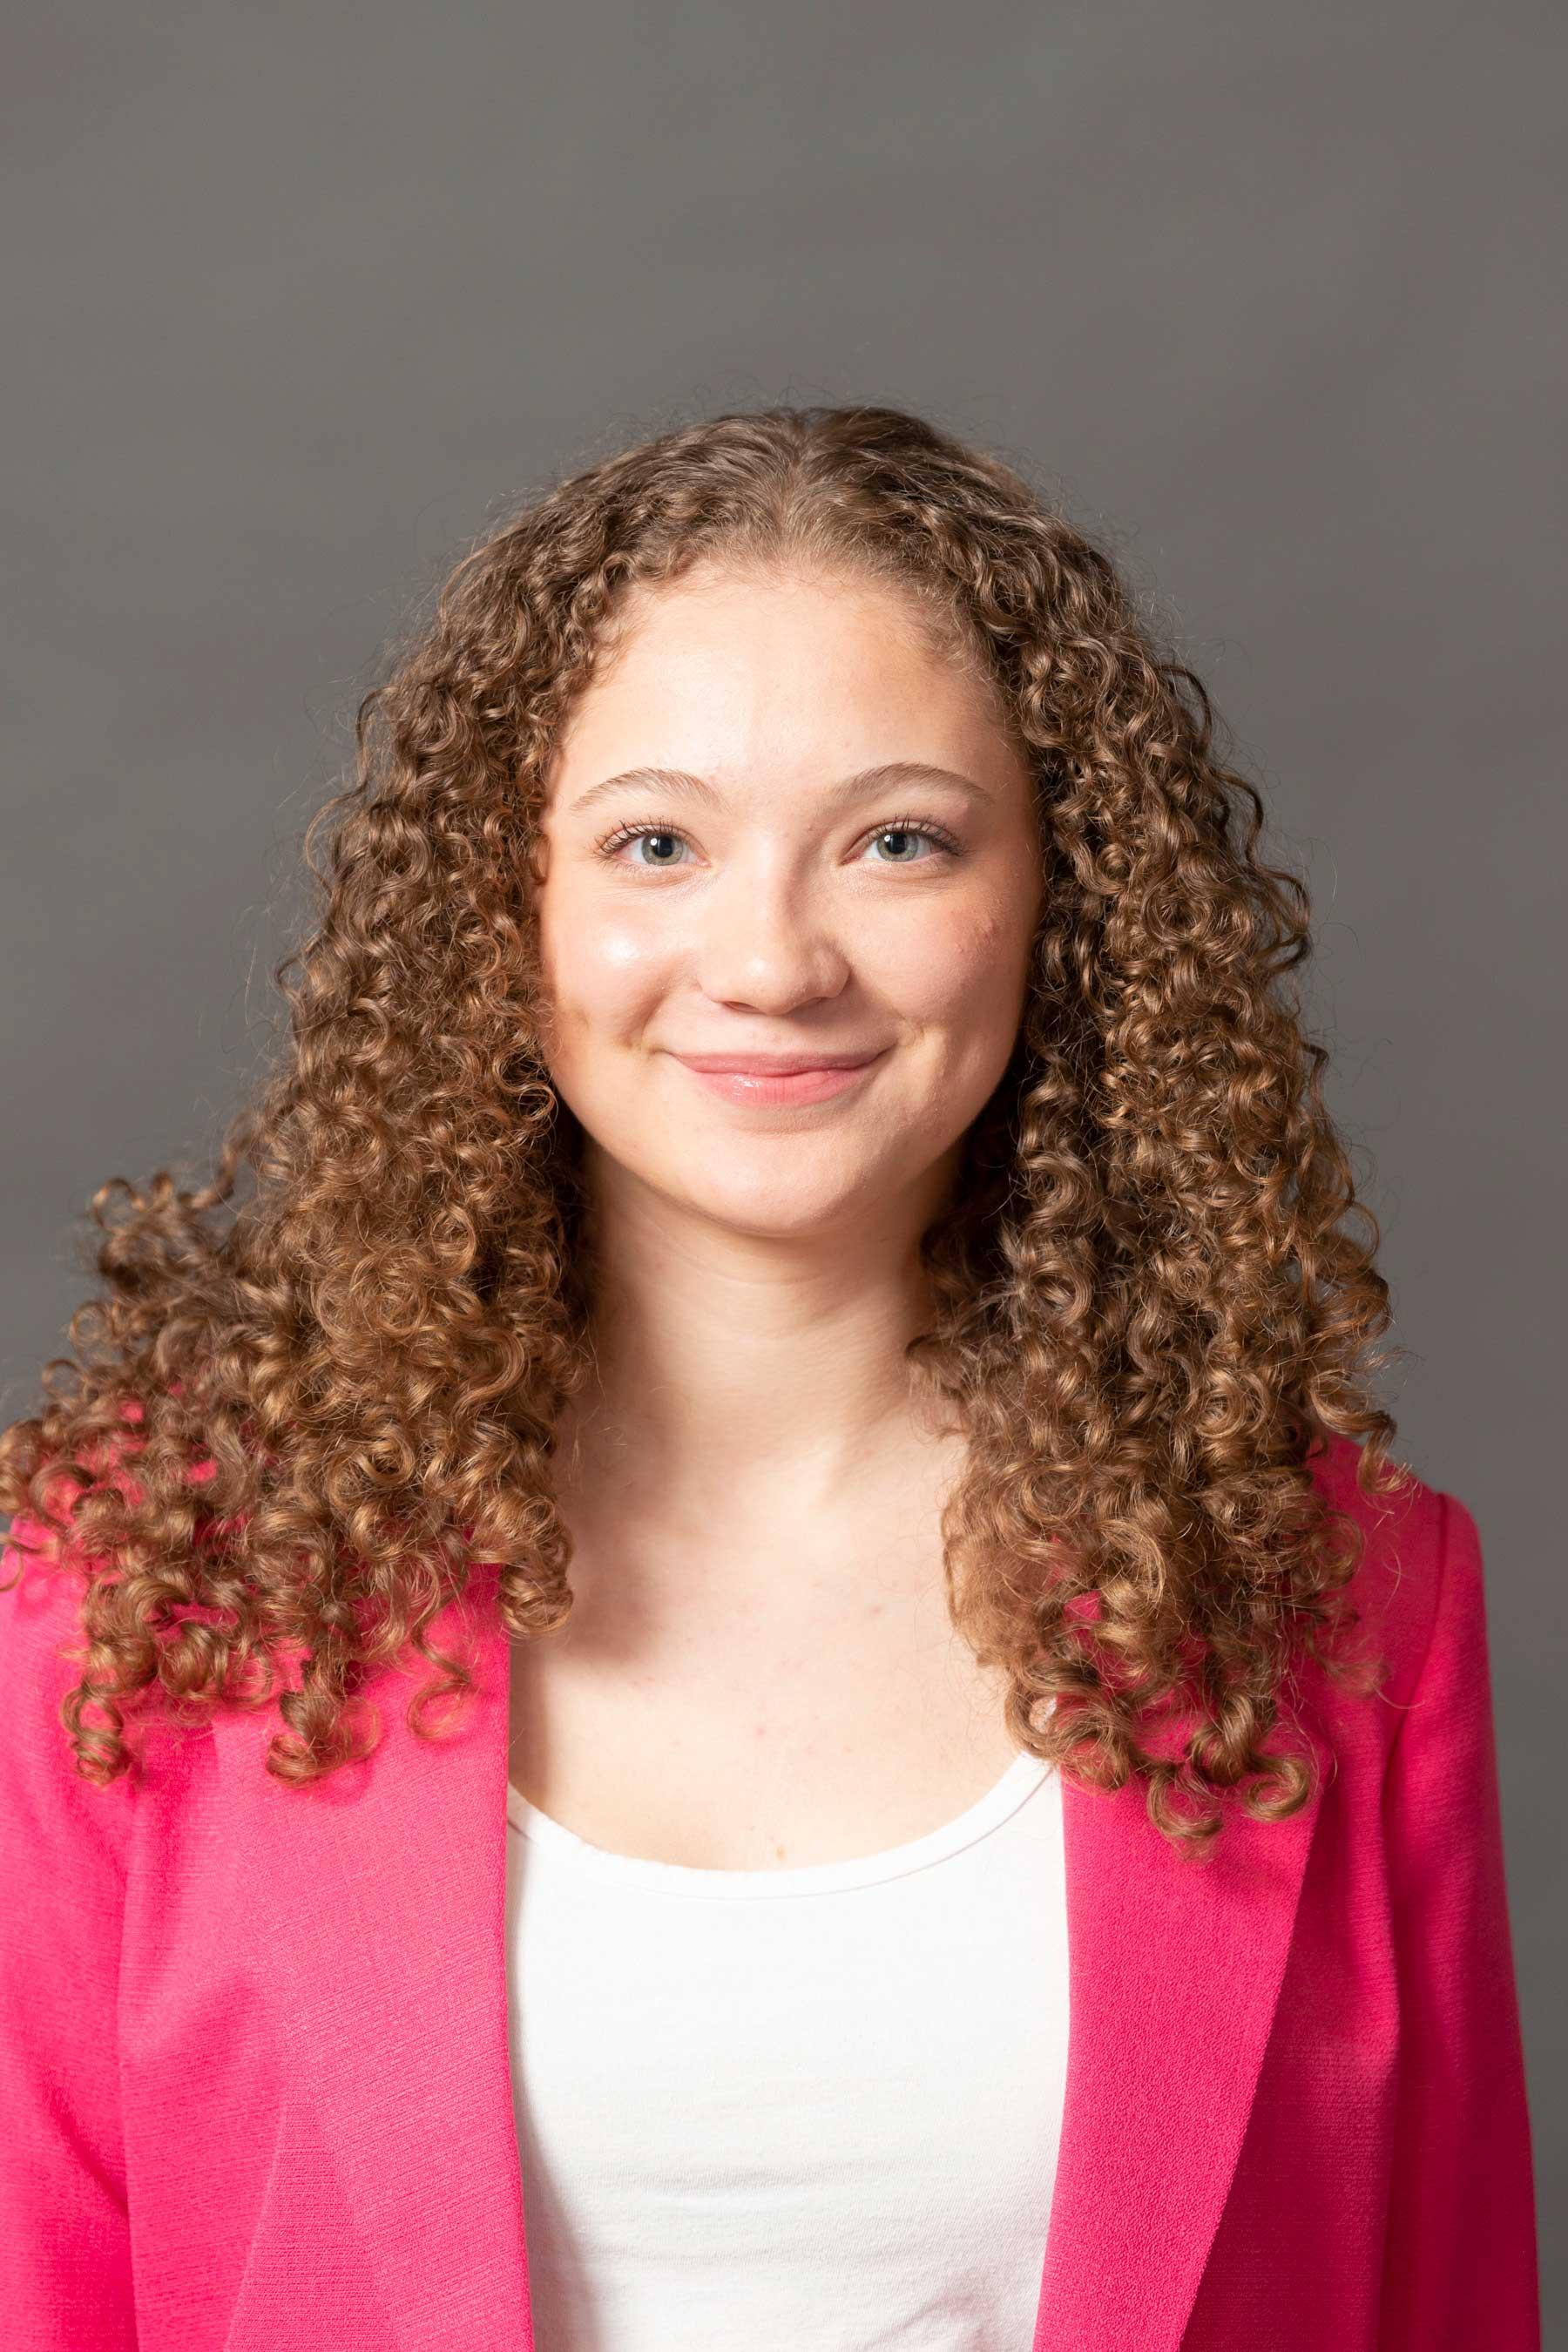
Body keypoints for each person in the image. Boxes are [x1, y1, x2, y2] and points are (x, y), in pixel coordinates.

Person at [0, 402, 1539, 2350]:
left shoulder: (1346, 1605)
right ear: (507, 911)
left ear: (1056, 907)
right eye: (657, 841)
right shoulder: (137, 1602)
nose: (771, 959)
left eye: (898, 841)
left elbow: (1452, 2302)